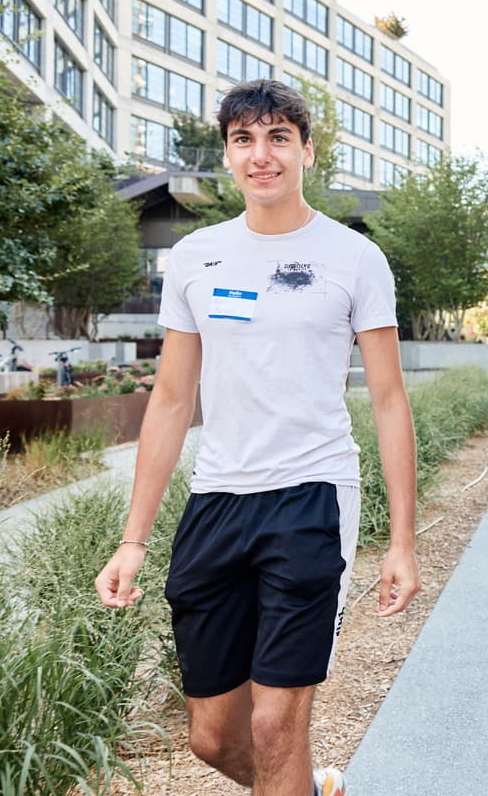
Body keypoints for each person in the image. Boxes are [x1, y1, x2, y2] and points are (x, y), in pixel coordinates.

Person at [95, 79, 420, 796]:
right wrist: (132, 540)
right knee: (213, 738)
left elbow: (392, 402)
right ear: (228, 154)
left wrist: (402, 542)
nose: (260, 154)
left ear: (307, 149)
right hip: (217, 500)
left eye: (278, 137)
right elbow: (174, 400)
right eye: (244, 139)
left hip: (310, 498)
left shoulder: (353, 258)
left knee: (276, 729)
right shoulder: (195, 257)